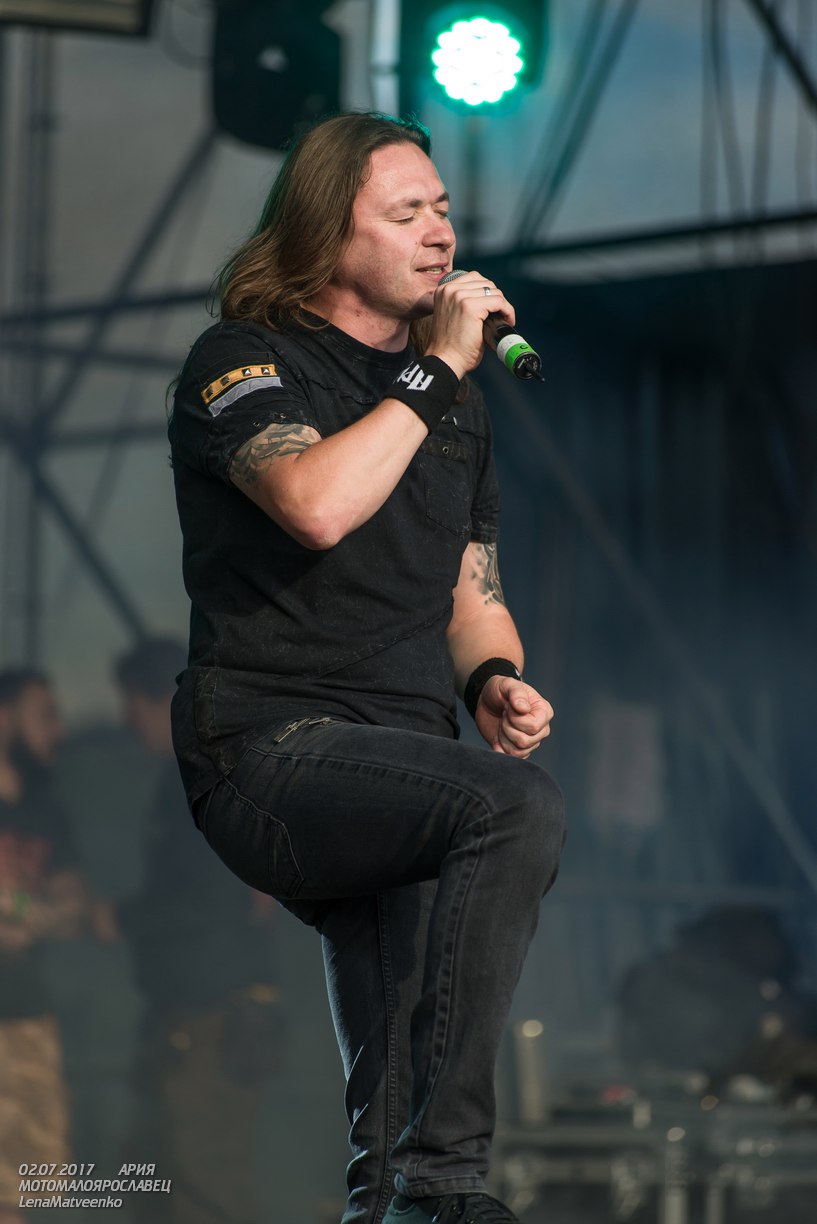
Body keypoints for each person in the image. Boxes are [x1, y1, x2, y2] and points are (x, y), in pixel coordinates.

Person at [168, 111, 565, 1224]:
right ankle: (448, 1174)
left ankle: (411, 1191)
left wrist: (491, 680)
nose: (440, 233)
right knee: (513, 809)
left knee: (389, 1130)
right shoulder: (243, 361)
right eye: (405, 214)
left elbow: (469, 594)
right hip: (269, 748)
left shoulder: (455, 408)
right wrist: (438, 367)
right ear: (325, 232)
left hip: (403, 758)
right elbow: (315, 504)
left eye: (442, 208)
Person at [114, 638, 280, 1224]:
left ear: (159, 700)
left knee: (204, 1184)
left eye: (131, 704)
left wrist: (121, 917)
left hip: (213, 1015)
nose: (126, 721)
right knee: (167, 1177)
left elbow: (213, 899)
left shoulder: (207, 777)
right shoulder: (184, 779)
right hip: (192, 1014)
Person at [0, 669, 89, 1222]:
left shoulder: (46, 809)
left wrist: (26, 912)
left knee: (23, 1194)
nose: (56, 730)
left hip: (27, 1020)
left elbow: (75, 908)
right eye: (43, 716)